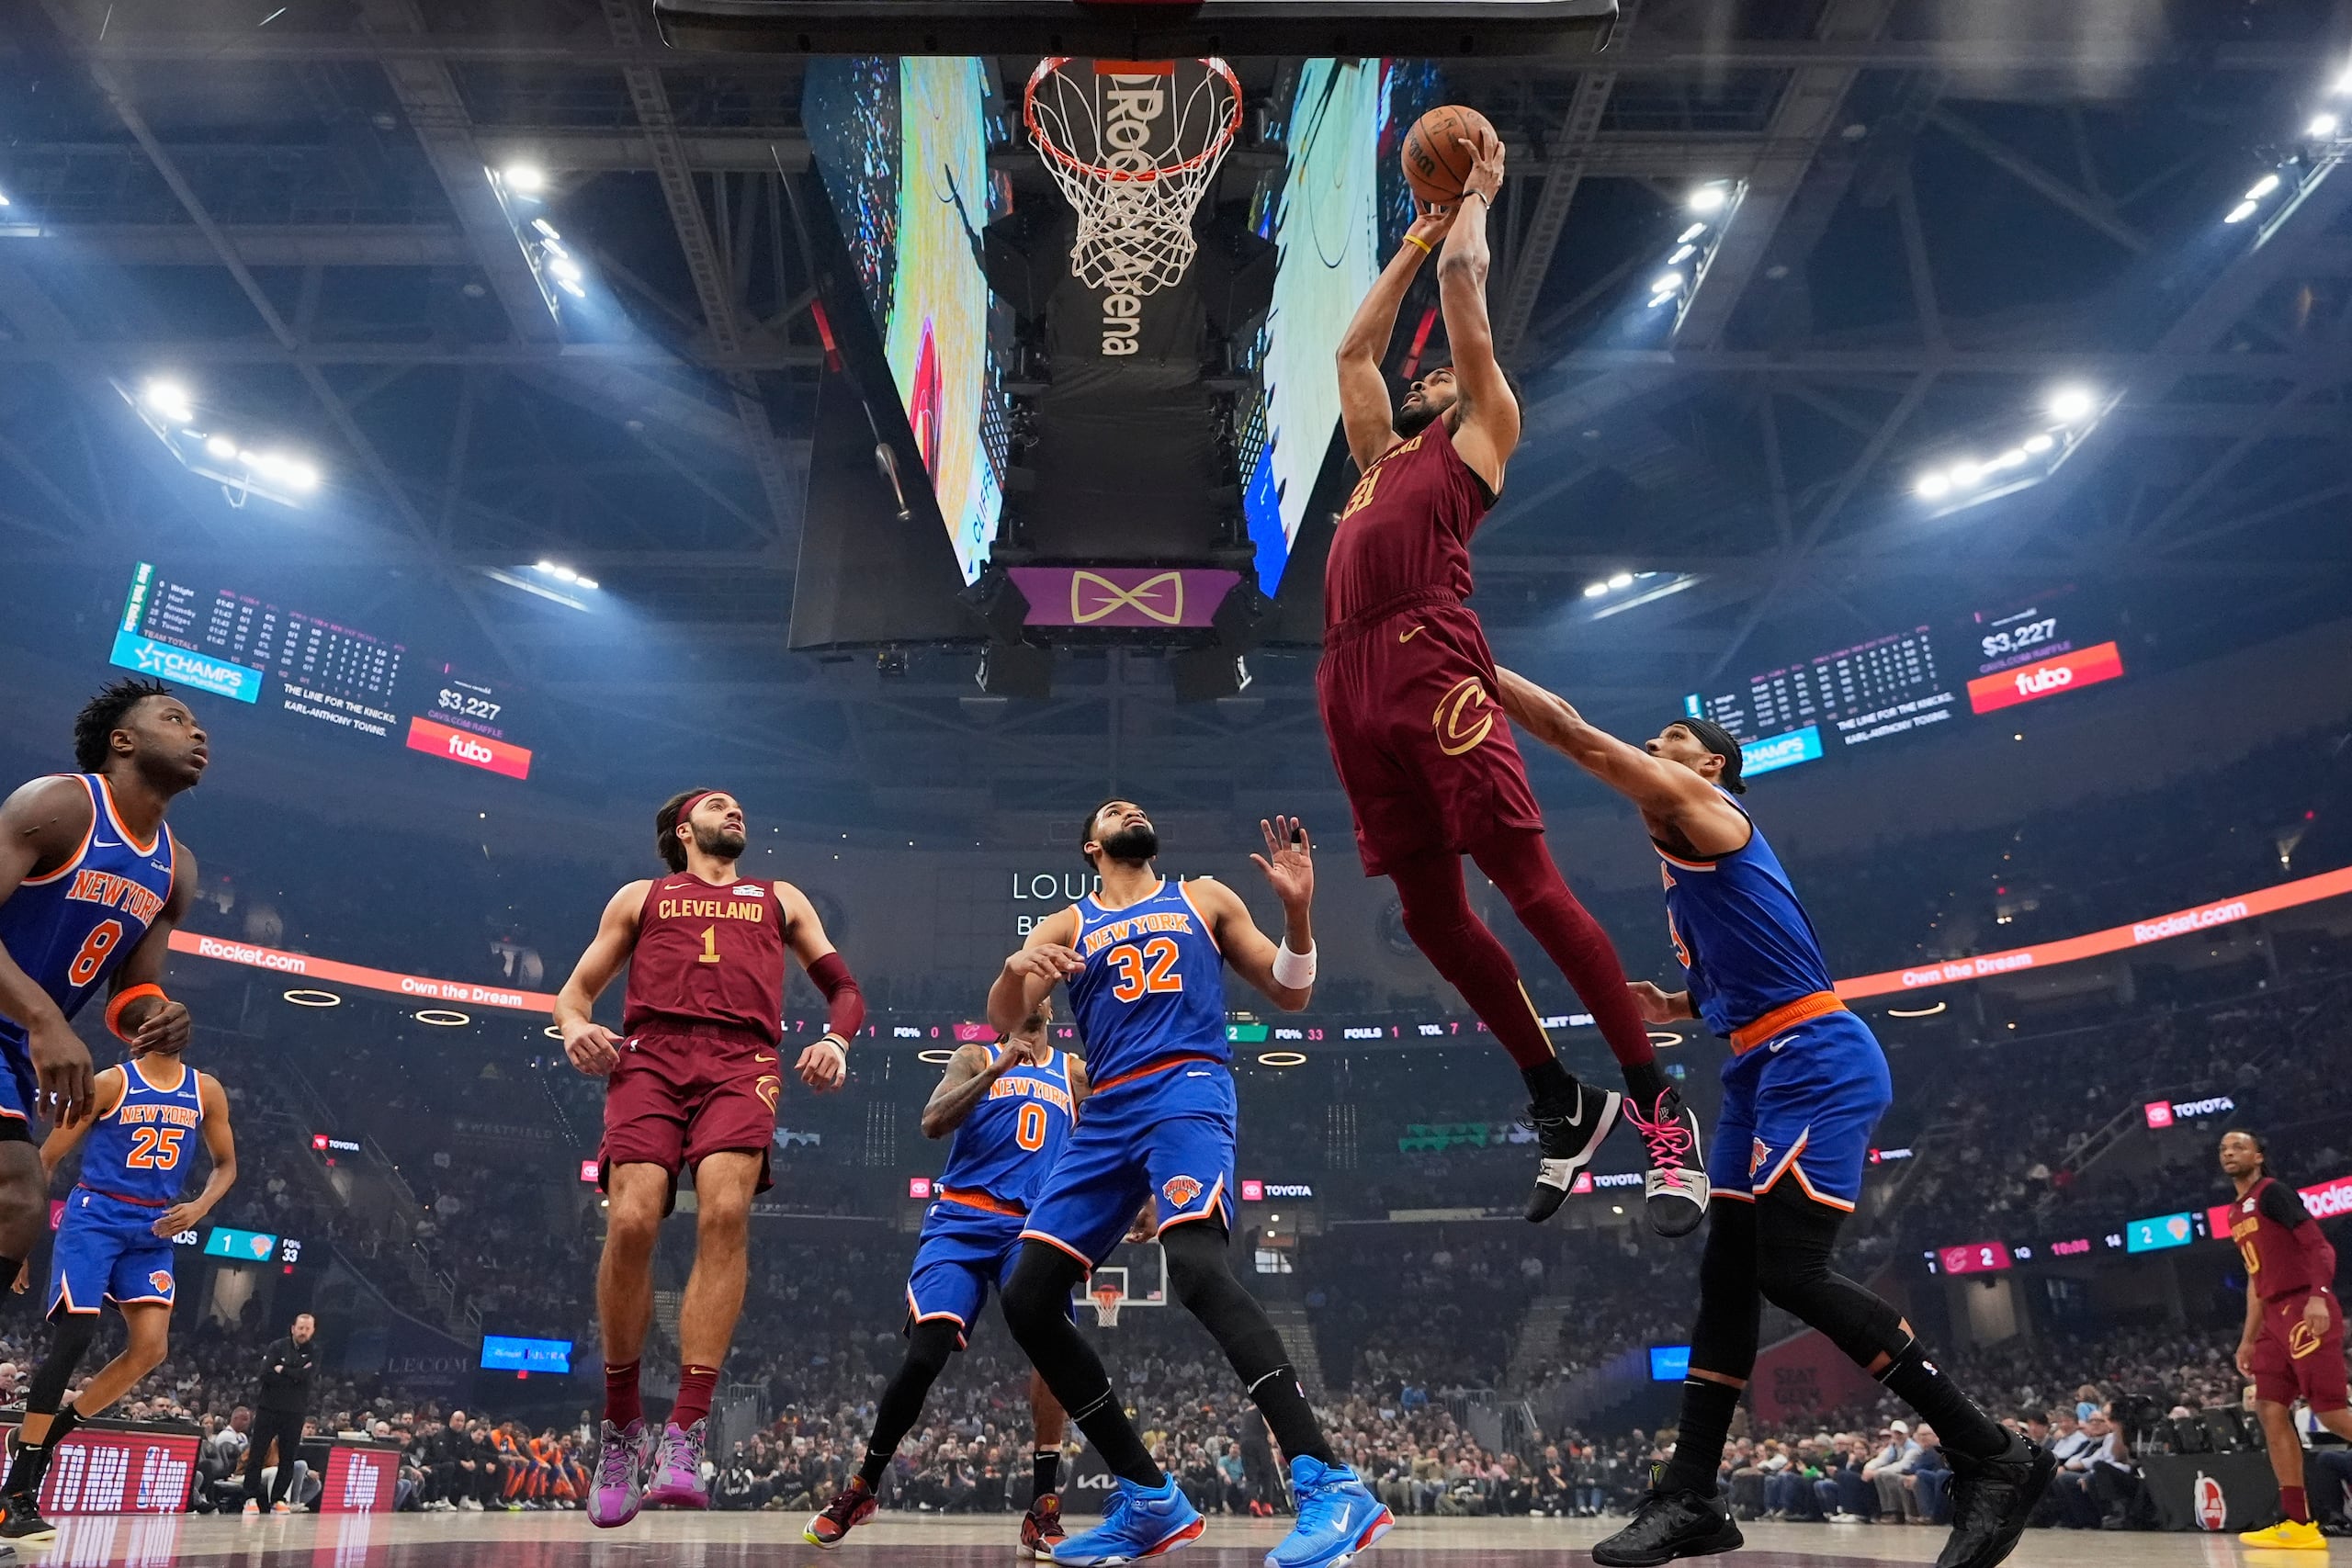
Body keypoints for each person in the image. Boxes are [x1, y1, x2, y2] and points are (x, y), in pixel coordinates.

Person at [1486, 678, 2052, 1568]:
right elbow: (1749, 968)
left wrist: (1475, 667)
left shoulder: (1703, 805)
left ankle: (1990, 1452)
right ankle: (1691, 1495)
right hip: (1757, 1062)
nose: (1653, 745)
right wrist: (1677, 1001)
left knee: (1790, 1271)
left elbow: (1578, 736)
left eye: (1669, 736)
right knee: (1725, 1276)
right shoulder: (1684, 868)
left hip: (1814, 1056)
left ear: (1711, 764)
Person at [1325, 124, 1704, 1235]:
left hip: (1433, 656)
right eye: (1426, 372)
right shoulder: (1379, 458)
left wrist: (1473, 201)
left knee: (1529, 888)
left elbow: (1462, 288)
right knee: (1433, 918)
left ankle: (1656, 1108)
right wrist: (1408, 240)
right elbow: (1353, 357)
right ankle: (1558, 1098)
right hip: (1347, 682)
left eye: (1439, 367)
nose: (1425, 371)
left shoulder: (1480, 432)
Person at [989, 804, 1388, 1567]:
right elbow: (1005, 1017)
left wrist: (1299, 914)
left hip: (1185, 1087)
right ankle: (1148, 1497)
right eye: (1113, 810)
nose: (1129, 809)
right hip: (1105, 1108)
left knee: (1199, 1269)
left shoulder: (1204, 896)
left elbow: (1290, 987)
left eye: (1135, 806)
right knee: (1027, 1294)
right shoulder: (1065, 924)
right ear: (1092, 845)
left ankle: (1329, 1482)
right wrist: (1018, 971)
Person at [554, 787, 861, 1527]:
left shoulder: (779, 896)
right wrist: (574, 1029)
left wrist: (835, 1039)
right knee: (630, 1222)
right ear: (684, 829)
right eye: (719, 805)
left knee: (724, 1212)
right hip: (650, 1056)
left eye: (740, 807)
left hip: (742, 1059)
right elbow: (575, 992)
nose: (737, 812)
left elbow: (843, 988)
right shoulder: (642, 895)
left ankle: (686, 1431)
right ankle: (622, 1424)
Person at [804, 998, 1088, 1557]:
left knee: (1053, 1348)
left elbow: (1117, 1130)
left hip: (1030, 1227)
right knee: (923, 1357)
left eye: (1041, 985)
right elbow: (932, 1121)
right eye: (1019, 983)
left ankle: (1043, 1507)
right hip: (961, 1219)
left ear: (1052, 1003)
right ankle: (863, 1487)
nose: (1032, 993)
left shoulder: (1074, 1071)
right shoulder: (973, 1054)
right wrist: (994, 1070)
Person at [0, 679, 205, 1313]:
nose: (198, 733)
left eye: (199, 727)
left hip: (16, 1044)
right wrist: (43, 1018)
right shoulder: (60, 804)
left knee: (17, 1200)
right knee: (19, 1192)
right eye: (176, 718)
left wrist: (157, 1014)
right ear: (123, 740)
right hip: (23, 1029)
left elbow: (130, 990)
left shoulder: (176, 868)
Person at [0, 1029, 235, 1541]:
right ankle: (16, 1494)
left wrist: (199, 1207)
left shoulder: (205, 1090)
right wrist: (21, 1242)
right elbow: (45, 1158)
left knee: (150, 1349)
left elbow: (226, 1164)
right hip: (96, 1216)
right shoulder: (111, 1083)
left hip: (153, 1229)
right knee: (75, 1339)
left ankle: (44, 1437)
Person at [2220, 1127, 2352, 1549]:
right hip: (2273, 1318)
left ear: (2258, 1156)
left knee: (2330, 1412)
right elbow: (2255, 1282)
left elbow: (2319, 1248)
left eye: (2238, 1146)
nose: (2229, 1153)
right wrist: (2247, 1338)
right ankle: (2298, 1524)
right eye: (2223, 1149)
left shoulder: (2274, 1193)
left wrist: (2319, 1296)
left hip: (2303, 1306)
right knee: (2270, 1410)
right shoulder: (2234, 1212)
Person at [243, 1313, 319, 1514]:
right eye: (300, 1328)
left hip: (295, 1411)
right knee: (257, 1453)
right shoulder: (276, 1347)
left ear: (312, 1331)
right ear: (293, 1328)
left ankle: (278, 1498)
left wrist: (283, 1370)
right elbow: (265, 1374)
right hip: (269, 1408)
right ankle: (250, 1497)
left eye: (307, 1329)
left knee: (288, 1457)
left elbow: (307, 1377)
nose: (303, 1332)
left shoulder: (315, 1351)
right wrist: (294, 1375)